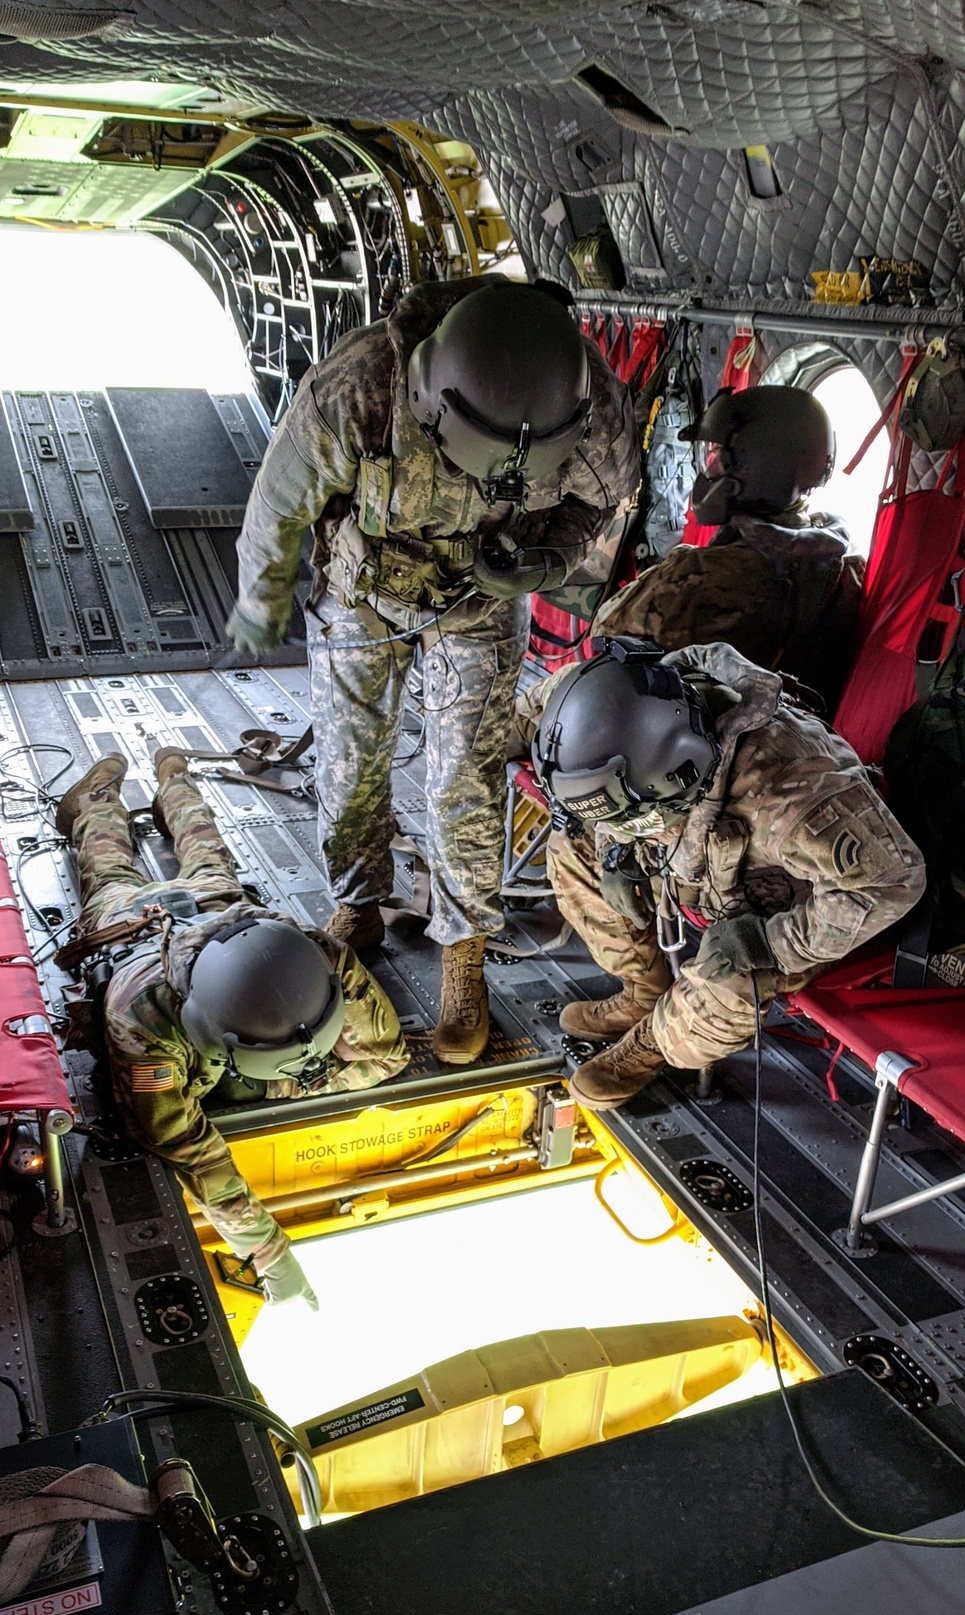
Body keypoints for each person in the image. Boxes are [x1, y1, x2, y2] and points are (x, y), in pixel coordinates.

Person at [228, 276, 638, 1065]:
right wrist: (262, 599)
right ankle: (357, 907)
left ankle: (464, 950)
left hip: (482, 602)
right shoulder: (358, 386)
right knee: (352, 765)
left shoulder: (591, 399)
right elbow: (279, 504)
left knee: (465, 782)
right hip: (364, 590)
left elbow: (602, 500)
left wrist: (547, 559)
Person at [55, 748, 408, 1303]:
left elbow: (389, 1055)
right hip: (127, 925)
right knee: (108, 868)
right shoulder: (141, 1021)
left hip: (214, 904)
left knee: (203, 843)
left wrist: (280, 1077)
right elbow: (178, 1138)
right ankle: (95, 801)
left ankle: (172, 778)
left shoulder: (315, 954)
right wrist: (268, 1251)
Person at [530, 638, 924, 1110]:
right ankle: (644, 990)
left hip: (786, 910)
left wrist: (771, 941)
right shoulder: (637, 694)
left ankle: (653, 1044)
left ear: (683, 769)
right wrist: (614, 849)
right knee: (572, 848)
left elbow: (894, 883)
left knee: (732, 972)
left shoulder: (791, 791)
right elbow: (612, 793)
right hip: (697, 866)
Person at [594, 384, 860, 715]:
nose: (711, 466)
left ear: (759, 468)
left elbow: (604, 635)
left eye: (720, 455)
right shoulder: (826, 557)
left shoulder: (705, 575)